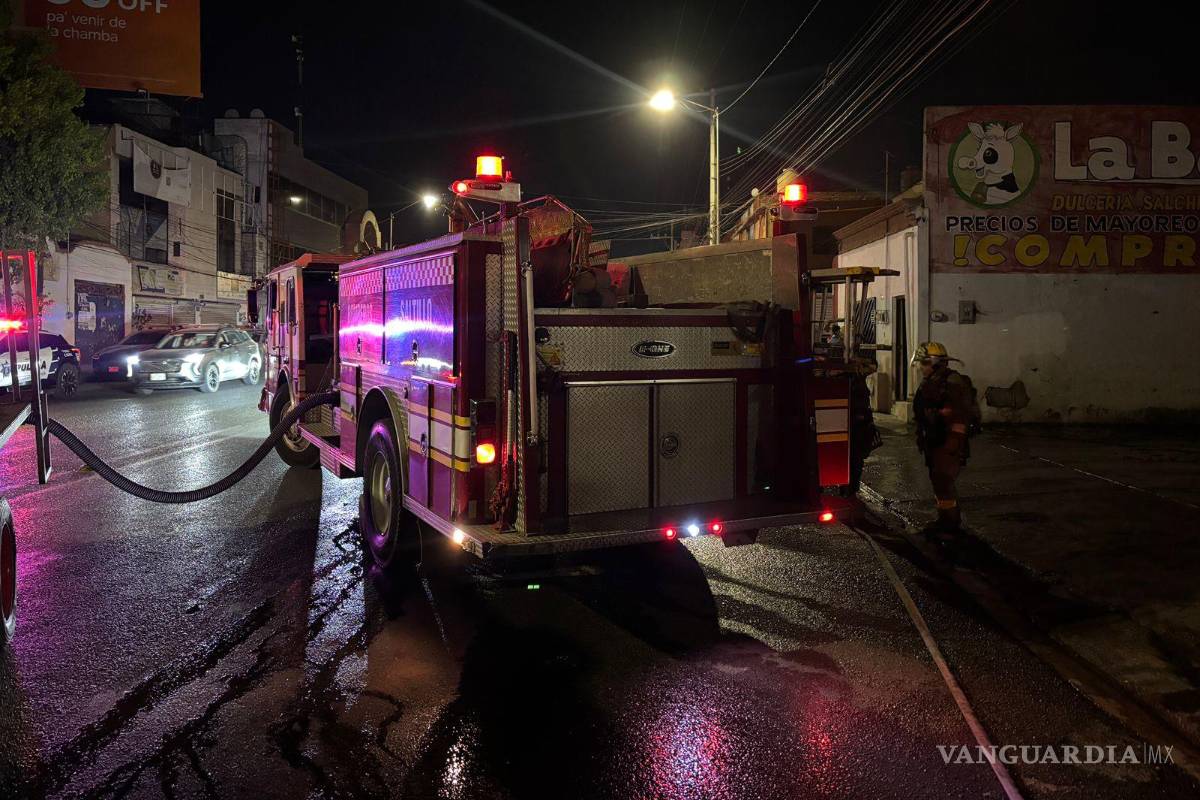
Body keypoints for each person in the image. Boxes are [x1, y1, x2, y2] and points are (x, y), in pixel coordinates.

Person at [912, 342, 972, 535]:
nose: (921, 367)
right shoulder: (931, 381)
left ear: (934, 363)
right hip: (934, 440)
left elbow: (961, 415)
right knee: (938, 480)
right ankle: (945, 518)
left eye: (924, 363)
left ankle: (950, 524)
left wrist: (953, 442)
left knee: (944, 481)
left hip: (947, 442)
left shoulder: (952, 382)